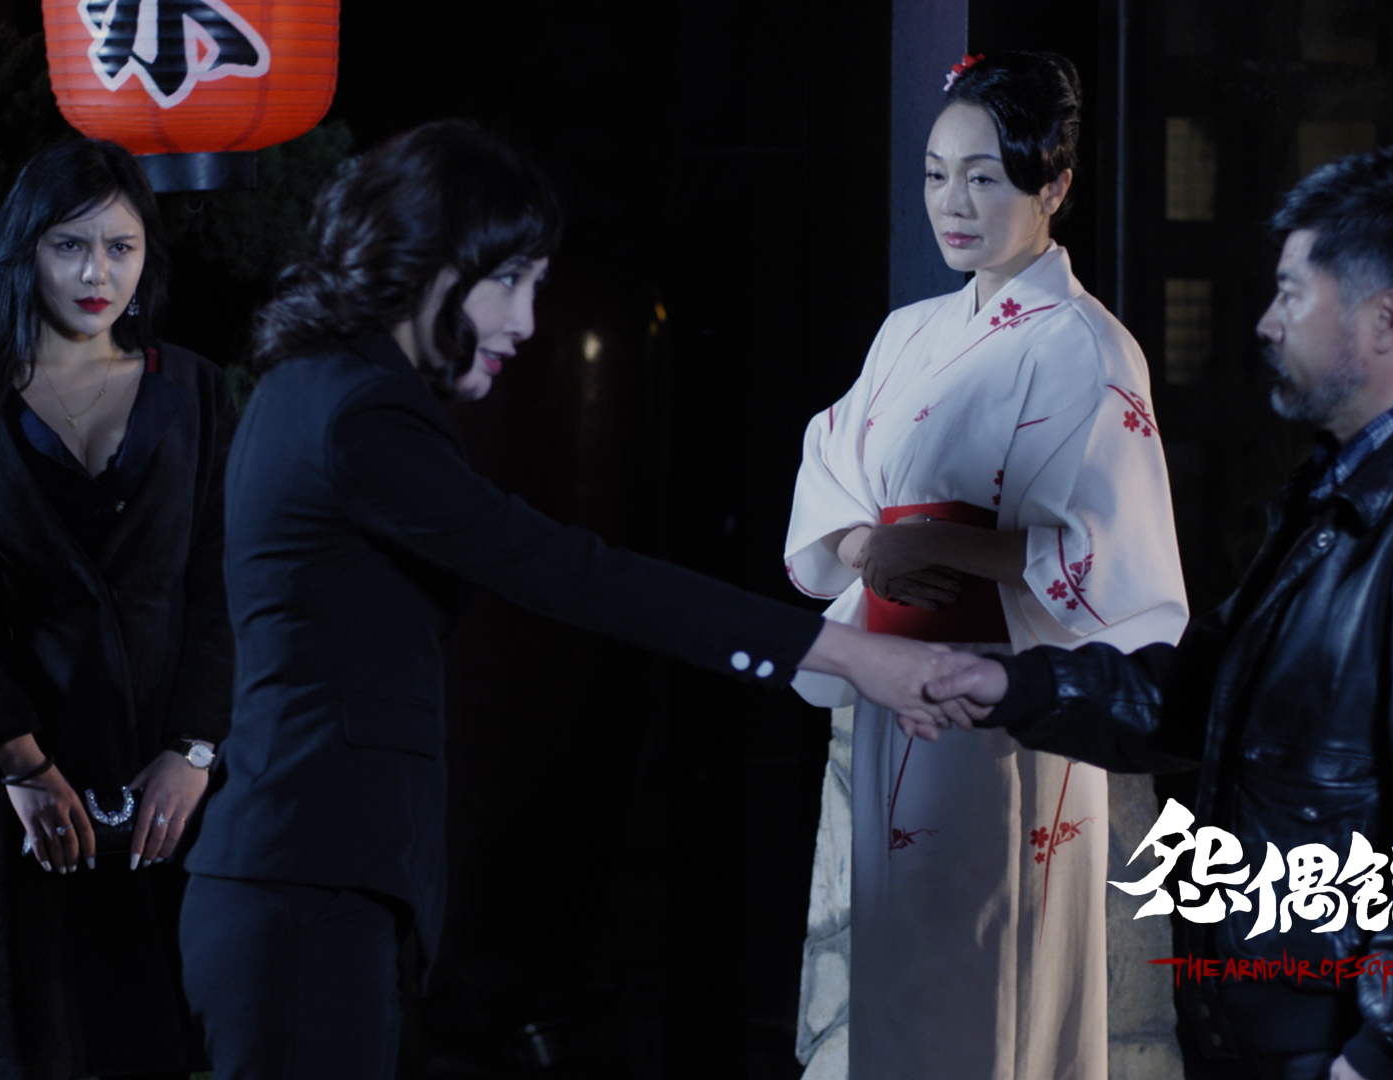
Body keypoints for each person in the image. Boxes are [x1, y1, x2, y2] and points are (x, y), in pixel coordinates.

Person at [182, 118, 958, 1079]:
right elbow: (572, 572)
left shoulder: (309, 387)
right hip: (307, 886)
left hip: (304, 878)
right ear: (431, 261)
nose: (525, 321)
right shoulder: (360, 414)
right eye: (511, 279)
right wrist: (848, 653)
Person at [922, 147, 1393, 1080]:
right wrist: (1012, 686)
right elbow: (1203, 696)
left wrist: (1383, 1056)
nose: (1267, 323)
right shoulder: (1338, 494)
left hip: (1367, 1049)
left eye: (1292, 295)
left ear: (1387, 320)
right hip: (1279, 1035)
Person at [782, 51, 1188, 1079]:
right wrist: (871, 546)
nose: (951, 203)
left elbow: (1111, 554)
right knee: (902, 969)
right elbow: (830, 473)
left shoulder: (1091, 347)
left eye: (984, 176)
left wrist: (937, 545)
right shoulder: (908, 334)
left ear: (1054, 185)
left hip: (1013, 698)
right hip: (897, 692)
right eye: (934, 175)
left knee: (1001, 970)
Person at [0, 138, 233, 1080]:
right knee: (9, 1037)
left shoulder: (196, 390)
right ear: (24, 250)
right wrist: (19, 762)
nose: (96, 273)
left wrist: (195, 749)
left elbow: (222, 581)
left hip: (159, 777)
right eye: (69, 246)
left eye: (120, 247)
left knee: (149, 1036)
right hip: (12, 781)